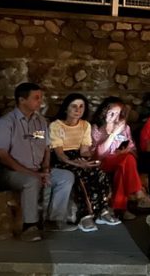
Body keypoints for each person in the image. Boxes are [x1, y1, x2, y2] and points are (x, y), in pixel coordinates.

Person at [0, 83, 77, 241]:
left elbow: (46, 148)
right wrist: (33, 174)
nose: (40, 101)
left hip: (37, 170)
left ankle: (54, 220)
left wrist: (45, 169)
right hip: (13, 173)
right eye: (36, 98)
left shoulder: (40, 121)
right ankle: (29, 227)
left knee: (66, 177)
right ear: (22, 100)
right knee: (31, 181)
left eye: (40, 97)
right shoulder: (6, 123)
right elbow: (2, 155)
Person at [49, 94, 116, 232]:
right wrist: (76, 163)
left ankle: (102, 210)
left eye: (81, 107)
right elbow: (60, 154)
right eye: (74, 106)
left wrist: (89, 160)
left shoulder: (85, 125)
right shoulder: (56, 125)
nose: (78, 110)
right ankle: (85, 215)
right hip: (61, 159)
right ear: (66, 108)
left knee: (98, 172)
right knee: (79, 174)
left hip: (78, 156)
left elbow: (85, 150)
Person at [90, 97, 150, 219]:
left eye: (118, 113)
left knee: (124, 165)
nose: (115, 117)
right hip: (101, 163)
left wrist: (125, 150)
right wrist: (113, 135)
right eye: (112, 113)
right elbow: (98, 155)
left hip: (121, 161)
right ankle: (139, 195)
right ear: (104, 112)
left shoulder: (125, 128)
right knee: (126, 160)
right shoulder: (95, 128)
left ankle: (120, 209)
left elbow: (133, 149)